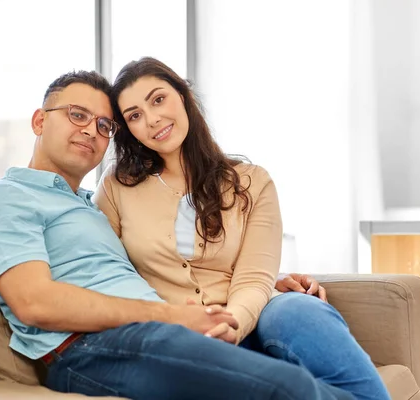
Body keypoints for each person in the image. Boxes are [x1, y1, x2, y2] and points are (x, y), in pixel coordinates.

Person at [0, 70, 353, 399]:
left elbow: (156, 262)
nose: (91, 131)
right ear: (39, 121)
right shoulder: (6, 197)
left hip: (155, 334)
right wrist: (172, 317)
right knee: (289, 387)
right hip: (91, 349)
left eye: (103, 125)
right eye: (77, 114)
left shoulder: (89, 206)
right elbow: (35, 303)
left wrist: (267, 281)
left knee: (319, 382)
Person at [93, 57, 390, 400]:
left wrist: (229, 325)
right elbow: (110, 273)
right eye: (134, 115)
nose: (152, 119)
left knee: (300, 310)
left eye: (158, 99)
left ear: (183, 95)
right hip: (180, 332)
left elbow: (253, 278)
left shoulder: (252, 182)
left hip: (257, 312)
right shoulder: (116, 187)